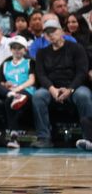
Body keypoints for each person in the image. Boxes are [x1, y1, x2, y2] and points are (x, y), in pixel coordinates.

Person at [33, 18, 91, 147]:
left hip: (74, 86)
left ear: (61, 31)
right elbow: (41, 74)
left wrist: (70, 89)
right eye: (47, 33)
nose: (50, 35)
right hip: (51, 88)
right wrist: (52, 89)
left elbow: (82, 72)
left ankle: (89, 138)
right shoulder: (42, 53)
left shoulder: (76, 48)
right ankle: (44, 138)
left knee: (84, 95)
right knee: (38, 96)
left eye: (53, 31)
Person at [0, 35, 36, 149]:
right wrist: (6, 85)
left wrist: (19, 88)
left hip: (27, 91)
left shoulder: (29, 62)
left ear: (25, 49)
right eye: (14, 48)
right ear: (11, 49)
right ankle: (14, 137)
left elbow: (32, 80)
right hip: (11, 93)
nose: (17, 50)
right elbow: (1, 82)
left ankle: (13, 134)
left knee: (18, 98)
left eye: (20, 48)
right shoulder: (5, 65)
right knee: (8, 102)